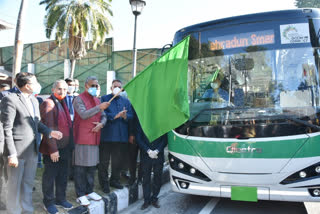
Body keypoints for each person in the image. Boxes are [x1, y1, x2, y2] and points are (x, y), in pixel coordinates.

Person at [0, 72, 63, 214]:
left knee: (28, 184)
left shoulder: (35, 100)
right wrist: (12, 154)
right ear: (27, 85)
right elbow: (6, 128)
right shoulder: (10, 99)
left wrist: (49, 132)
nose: (37, 84)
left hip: (32, 150)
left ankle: (27, 210)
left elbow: (37, 123)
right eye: (35, 82)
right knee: (14, 186)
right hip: (17, 151)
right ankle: (14, 211)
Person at [73, 76, 110, 206]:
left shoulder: (97, 99)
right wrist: (99, 107)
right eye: (92, 85)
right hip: (82, 138)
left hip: (95, 138)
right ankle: (80, 194)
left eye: (96, 85)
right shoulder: (79, 99)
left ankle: (90, 191)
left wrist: (102, 124)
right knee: (81, 168)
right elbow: (83, 114)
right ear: (86, 85)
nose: (95, 88)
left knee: (92, 167)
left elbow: (104, 116)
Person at [40, 80, 74, 214]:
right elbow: (49, 128)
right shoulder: (48, 103)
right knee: (50, 176)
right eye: (60, 89)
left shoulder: (63, 101)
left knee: (63, 175)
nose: (63, 92)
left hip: (65, 147)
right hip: (52, 149)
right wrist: (53, 150)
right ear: (53, 89)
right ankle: (48, 202)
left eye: (65, 90)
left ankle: (61, 199)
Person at [99, 79, 133, 192]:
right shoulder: (104, 98)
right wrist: (115, 116)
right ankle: (104, 183)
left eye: (119, 87)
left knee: (117, 161)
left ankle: (115, 180)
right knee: (104, 161)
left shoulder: (126, 101)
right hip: (107, 136)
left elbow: (131, 115)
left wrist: (125, 116)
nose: (117, 88)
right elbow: (102, 113)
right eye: (115, 86)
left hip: (121, 136)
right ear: (111, 88)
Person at [136, 122, 168, 210]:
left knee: (158, 177)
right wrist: (148, 150)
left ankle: (154, 198)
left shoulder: (161, 123)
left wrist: (157, 151)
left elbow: (165, 139)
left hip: (158, 155)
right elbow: (138, 138)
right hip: (146, 155)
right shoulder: (142, 122)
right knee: (146, 178)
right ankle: (146, 200)